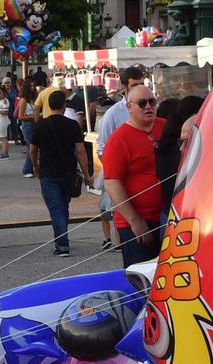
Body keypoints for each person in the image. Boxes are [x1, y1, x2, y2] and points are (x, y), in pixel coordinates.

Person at [101, 81, 166, 265]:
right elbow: (112, 184)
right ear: (129, 107)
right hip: (137, 221)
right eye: (142, 103)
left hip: (165, 216)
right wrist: (135, 221)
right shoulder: (118, 140)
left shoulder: (165, 127)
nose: (148, 107)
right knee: (140, 277)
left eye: (152, 102)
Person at [31, 89, 89, 257]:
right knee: (63, 206)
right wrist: (87, 174)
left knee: (56, 208)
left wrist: (35, 166)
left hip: (48, 172)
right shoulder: (73, 126)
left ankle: (62, 244)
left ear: (48, 106)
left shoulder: (40, 125)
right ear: (64, 106)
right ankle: (62, 237)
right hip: (68, 172)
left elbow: (33, 150)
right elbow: (80, 151)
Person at [96, 65, 147, 142]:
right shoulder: (113, 114)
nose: (139, 89)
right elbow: (102, 147)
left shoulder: (151, 108)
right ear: (124, 87)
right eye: (135, 86)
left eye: (142, 84)